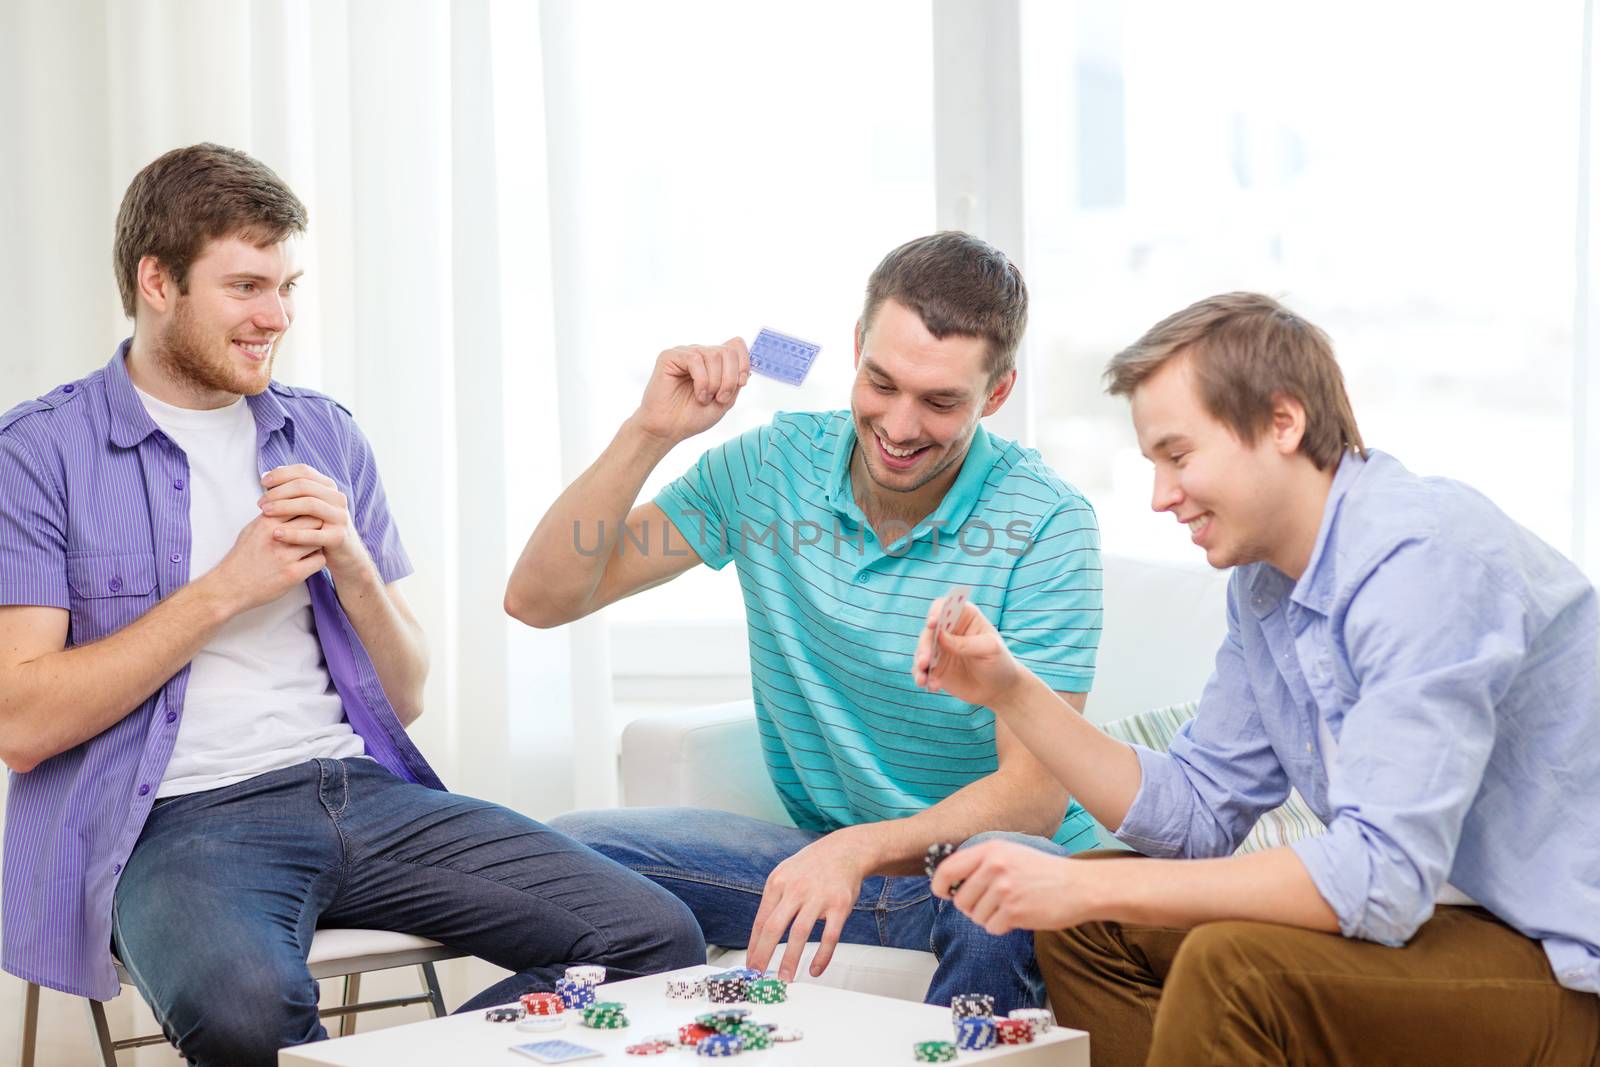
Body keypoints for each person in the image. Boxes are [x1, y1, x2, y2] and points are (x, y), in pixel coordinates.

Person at [0, 143, 704, 1067]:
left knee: (653, 938)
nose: (277, 316)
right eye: (248, 286)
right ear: (157, 280)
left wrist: (354, 564)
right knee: (245, 1008)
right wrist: (224, 590)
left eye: (288, 285)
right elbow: (22, 720)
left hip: (357, 791)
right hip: (176, 819)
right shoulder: (39, 453)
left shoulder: (322, 430)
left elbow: (404, 696)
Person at [916, 292, 1600, 1065]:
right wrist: (1011, 689)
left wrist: (1085, 885)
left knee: (1223, 966)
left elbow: (1380, 877)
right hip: (1442, 923)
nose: (1160, 495)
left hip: (1561, 958)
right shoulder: (1266, 585)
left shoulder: (1422, 560)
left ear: (1283, 422)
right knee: (1083, 929)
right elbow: (1197, 812)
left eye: (1178, 455)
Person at [506, 232, 1104, 1014]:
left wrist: (857, 849)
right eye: (881, 382)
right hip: (828, 862)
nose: (897, 424)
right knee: (560, 850)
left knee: (999, 869)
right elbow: (542, 596)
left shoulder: (1046, 524)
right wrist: (650, 431)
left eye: (940, 400)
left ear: (995, 394)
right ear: (856, 348)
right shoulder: (769, 468)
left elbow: (1031, 801)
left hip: (976, 874)